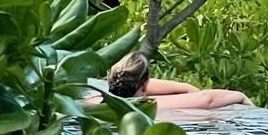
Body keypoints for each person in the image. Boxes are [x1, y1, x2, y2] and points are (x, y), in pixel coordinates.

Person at [100, 51, 250, 113]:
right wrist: (241, 96)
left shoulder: (94, 102)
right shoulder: (148, 106)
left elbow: (188, 91)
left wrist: (186, 88)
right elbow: (207, 99)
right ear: (145, 84)